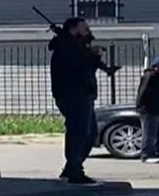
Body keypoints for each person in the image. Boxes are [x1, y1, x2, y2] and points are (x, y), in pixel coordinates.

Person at [49, 17, 115, 186]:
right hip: (73, 95)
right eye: (84, 28)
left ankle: (72, 167)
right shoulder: (65, 48)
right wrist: (91, 57)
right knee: (78, 132)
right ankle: (74, 170)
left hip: (84, 94)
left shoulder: (75, 46)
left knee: (90, 133)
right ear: (73, 29)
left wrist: (92, 56)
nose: (88, 31)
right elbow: (75, 69)